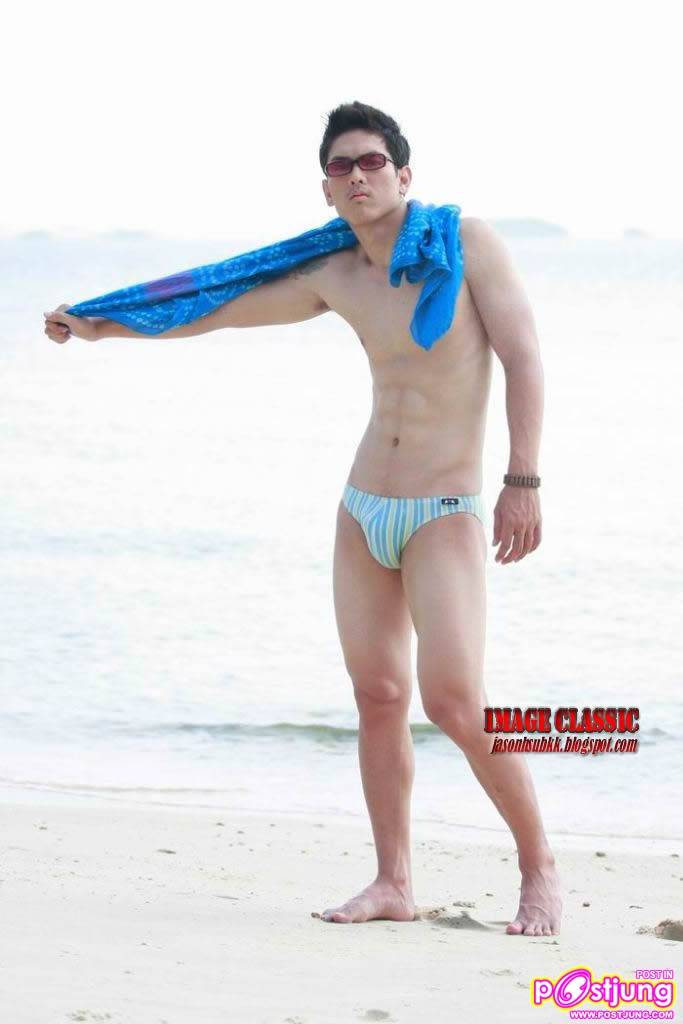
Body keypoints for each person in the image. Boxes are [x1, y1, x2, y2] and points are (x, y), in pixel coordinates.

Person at [44, 100, 562, 936]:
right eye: (339, 166)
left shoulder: (465, 246)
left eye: (371, 161)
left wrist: (523, 481)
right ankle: (392, 881)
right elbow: (217, 304)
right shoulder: (337, 272)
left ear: (403, 174)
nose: (356, 176)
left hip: (442, 508)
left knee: (455, 701)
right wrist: (106, 323)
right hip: (364, 508)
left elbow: (524, 358)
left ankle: (538, 868)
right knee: (378, 695)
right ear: (325, 188)